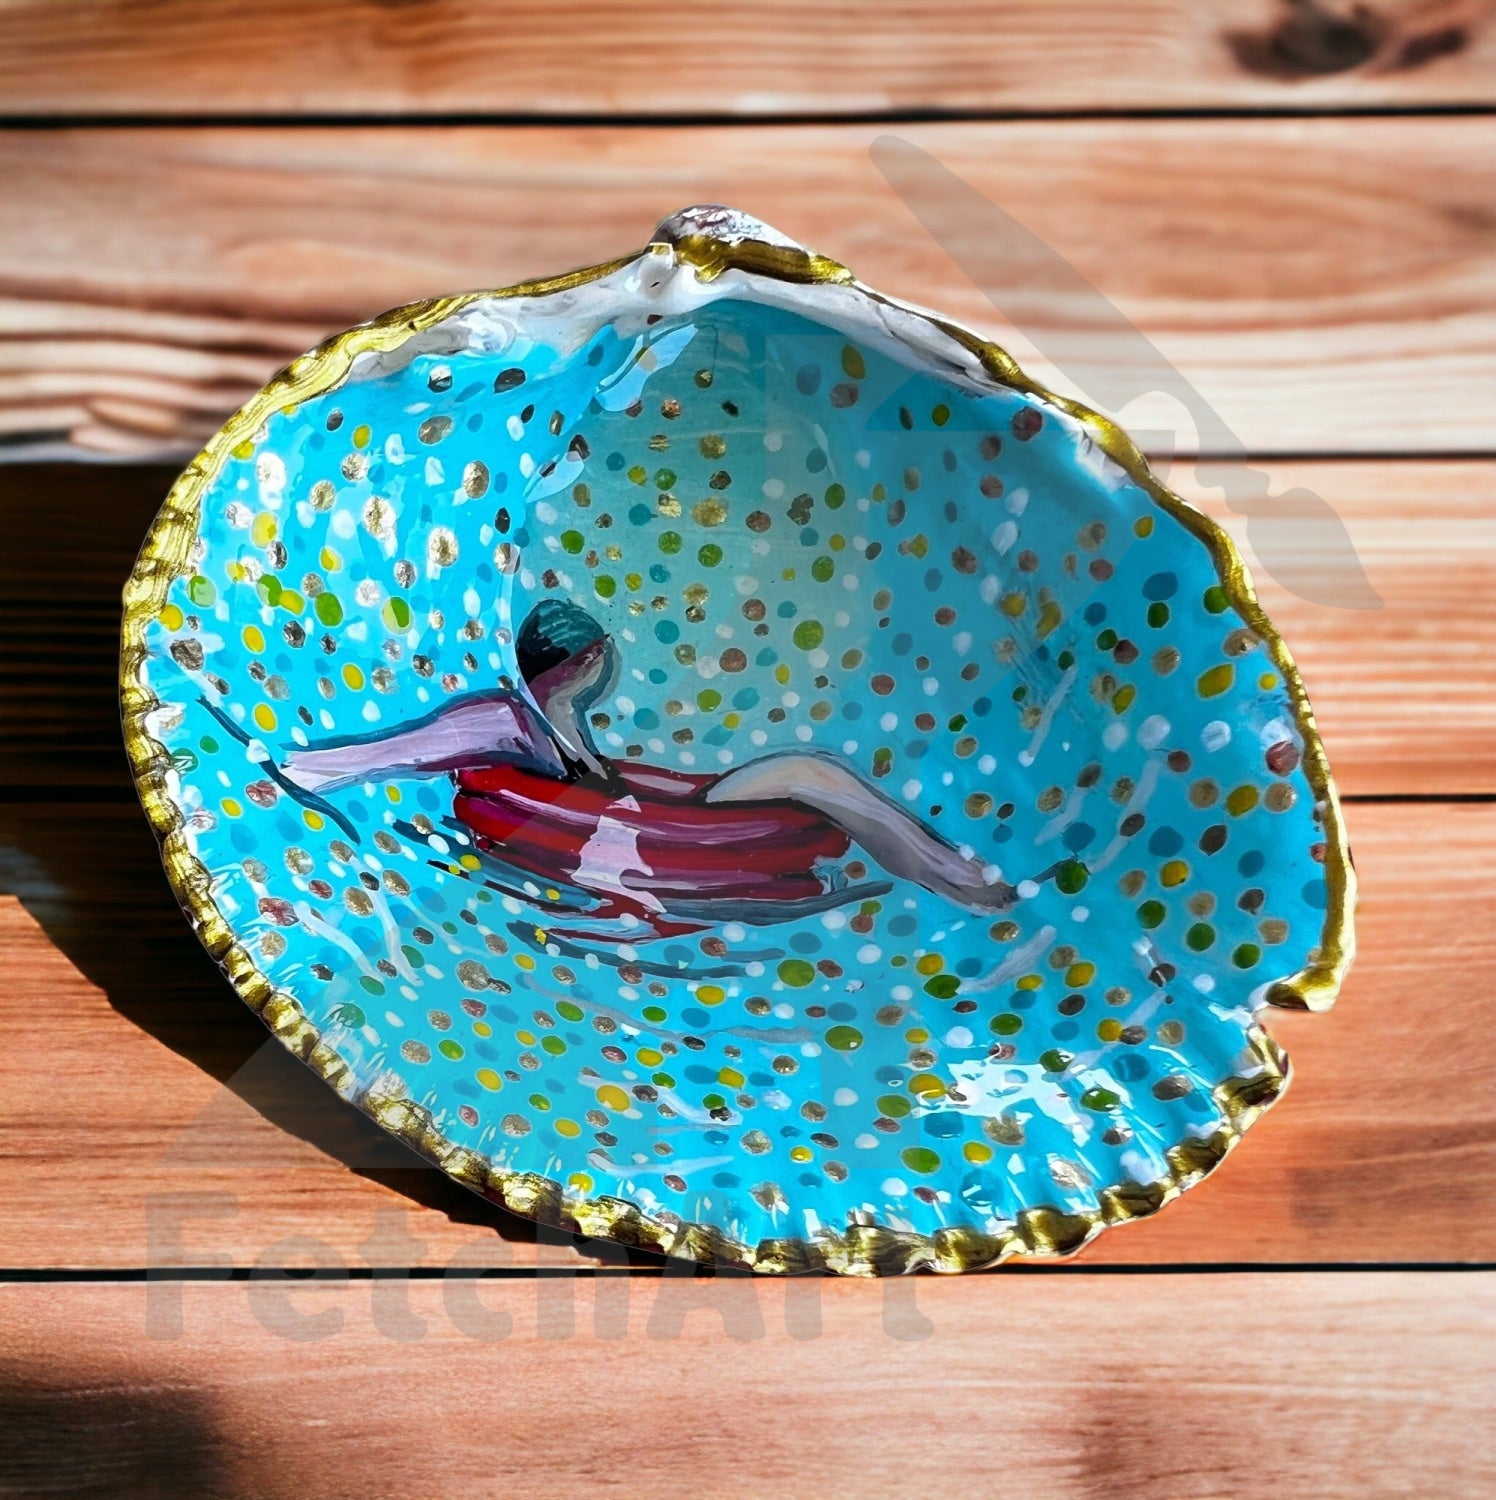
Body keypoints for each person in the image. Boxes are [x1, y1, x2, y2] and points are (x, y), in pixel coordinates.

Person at [282, 600, 1015, 924]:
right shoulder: (504, 719)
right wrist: (300, 774)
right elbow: (401, 751)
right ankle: (947, 875)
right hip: (674, 825)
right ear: (587, 659)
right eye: (599, 655)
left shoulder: (562, 723)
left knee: (810, 778)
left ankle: (943, 871)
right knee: (807, 776)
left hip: (669, 816)